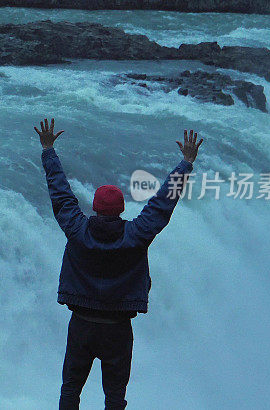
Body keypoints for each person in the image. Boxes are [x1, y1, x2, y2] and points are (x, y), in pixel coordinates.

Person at [34, 118, 203, 409]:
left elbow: (61, 194)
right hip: (118, 328)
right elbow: (163, 203)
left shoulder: (77, 230)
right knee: (114, 396)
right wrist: (185, 163)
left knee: (70, 389)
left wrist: (49, 150)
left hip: (82, 325)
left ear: (95, 208)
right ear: (121, 209)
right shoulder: (137, 235)